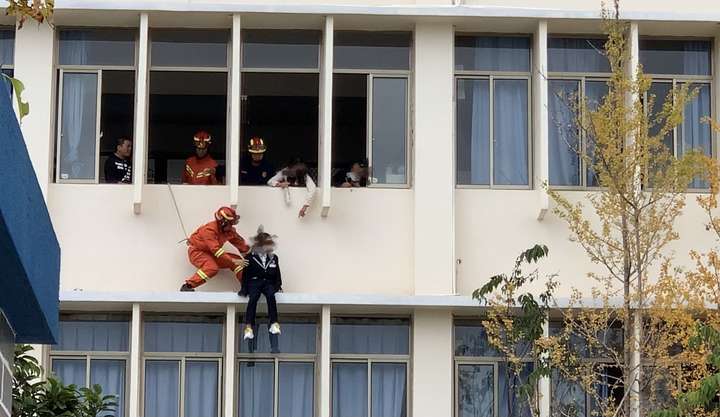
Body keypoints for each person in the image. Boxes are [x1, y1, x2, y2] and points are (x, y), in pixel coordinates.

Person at [180, 206, 250, 292]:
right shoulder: (209, 230)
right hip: (198, 252)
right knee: (211, 267)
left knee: (238, 261)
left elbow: (242, 246)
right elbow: (216, 250)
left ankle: (248, 286)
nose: (231, 226)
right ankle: (188, 286)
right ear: (223, 222)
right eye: (230, 223)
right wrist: (232, 260)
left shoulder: (229, 231)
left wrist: (253, 259)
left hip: (212, 253)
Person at [239, 225, 282, 340]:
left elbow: (277, 273)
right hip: (254, 282)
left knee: (271, 296)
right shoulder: (250, 257)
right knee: (253, 298)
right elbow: (245, 274)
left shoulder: (273, 258)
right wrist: (244, 288)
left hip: (268, 282)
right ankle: (249, 327)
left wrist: (278, 286)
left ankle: (274, 323)